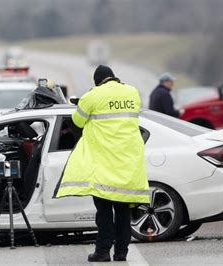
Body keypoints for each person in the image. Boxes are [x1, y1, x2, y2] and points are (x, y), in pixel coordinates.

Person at [54, 65, 150, 262]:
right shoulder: (132, 92)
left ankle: (103, 251)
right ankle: (121, 252)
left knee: (104, 212)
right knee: (123, 211)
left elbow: (77, 121)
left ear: (97, 81)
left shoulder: (93, 95)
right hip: (127, 161)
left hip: (104, 163)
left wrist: (85, 105)